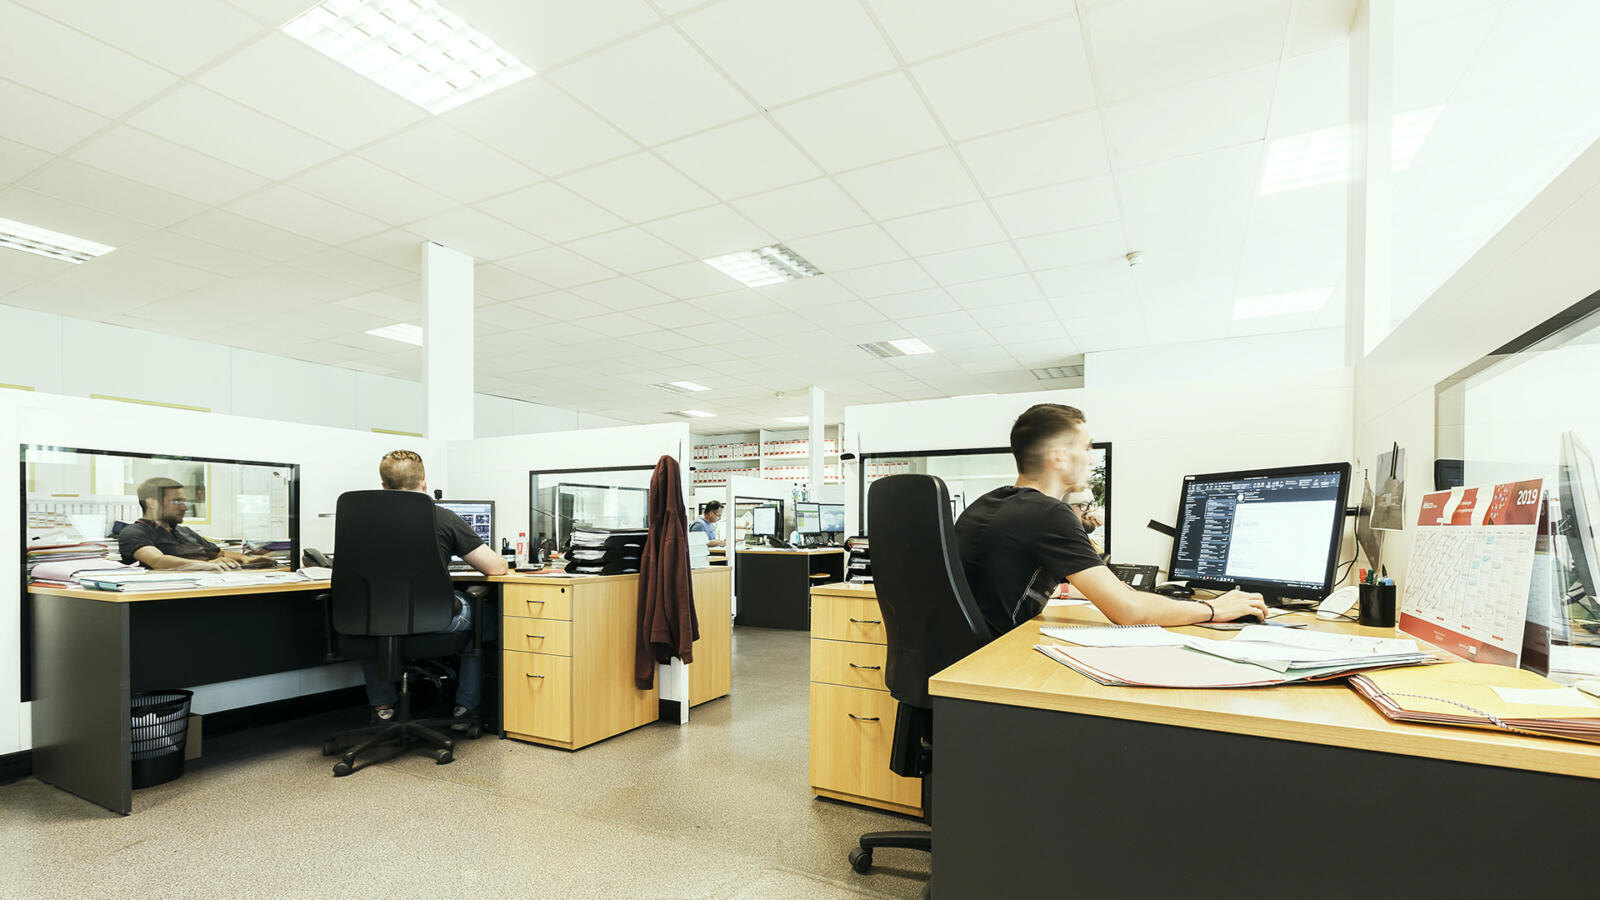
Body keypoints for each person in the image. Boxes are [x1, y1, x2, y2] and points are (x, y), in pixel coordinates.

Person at [955, 404, 1267, 637]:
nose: (1091, 458)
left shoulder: (989, 503)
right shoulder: (1049, 513)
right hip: (988, 667)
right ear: (1060, 457)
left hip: (955, 661)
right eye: (1086, 447)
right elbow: (1127, 612)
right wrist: (1214, 608)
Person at [362, 450, 508, 727]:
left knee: (370, 617)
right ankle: (466, 708)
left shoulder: (359, 521)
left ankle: (383, 706)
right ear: (424, 483)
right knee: (483, 614)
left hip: (375, 620)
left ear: (383, 487)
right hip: (434, 621)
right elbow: (497, 568)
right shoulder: (443, 517)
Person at [119, 477, 273, 571]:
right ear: (152, 503)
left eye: (184, 501)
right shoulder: (134, 532)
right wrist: (208, 565)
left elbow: (221, 553)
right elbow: (158, 561)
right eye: (177, 501)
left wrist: (247, 559)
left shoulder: (185, 532)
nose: (184, 507)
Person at [1064, 489, 1107, 559]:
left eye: (1092, 503)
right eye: (1083, 505)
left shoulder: (1091, 539)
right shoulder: (1069, 545)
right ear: (1064, 508)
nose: (1090, 509)